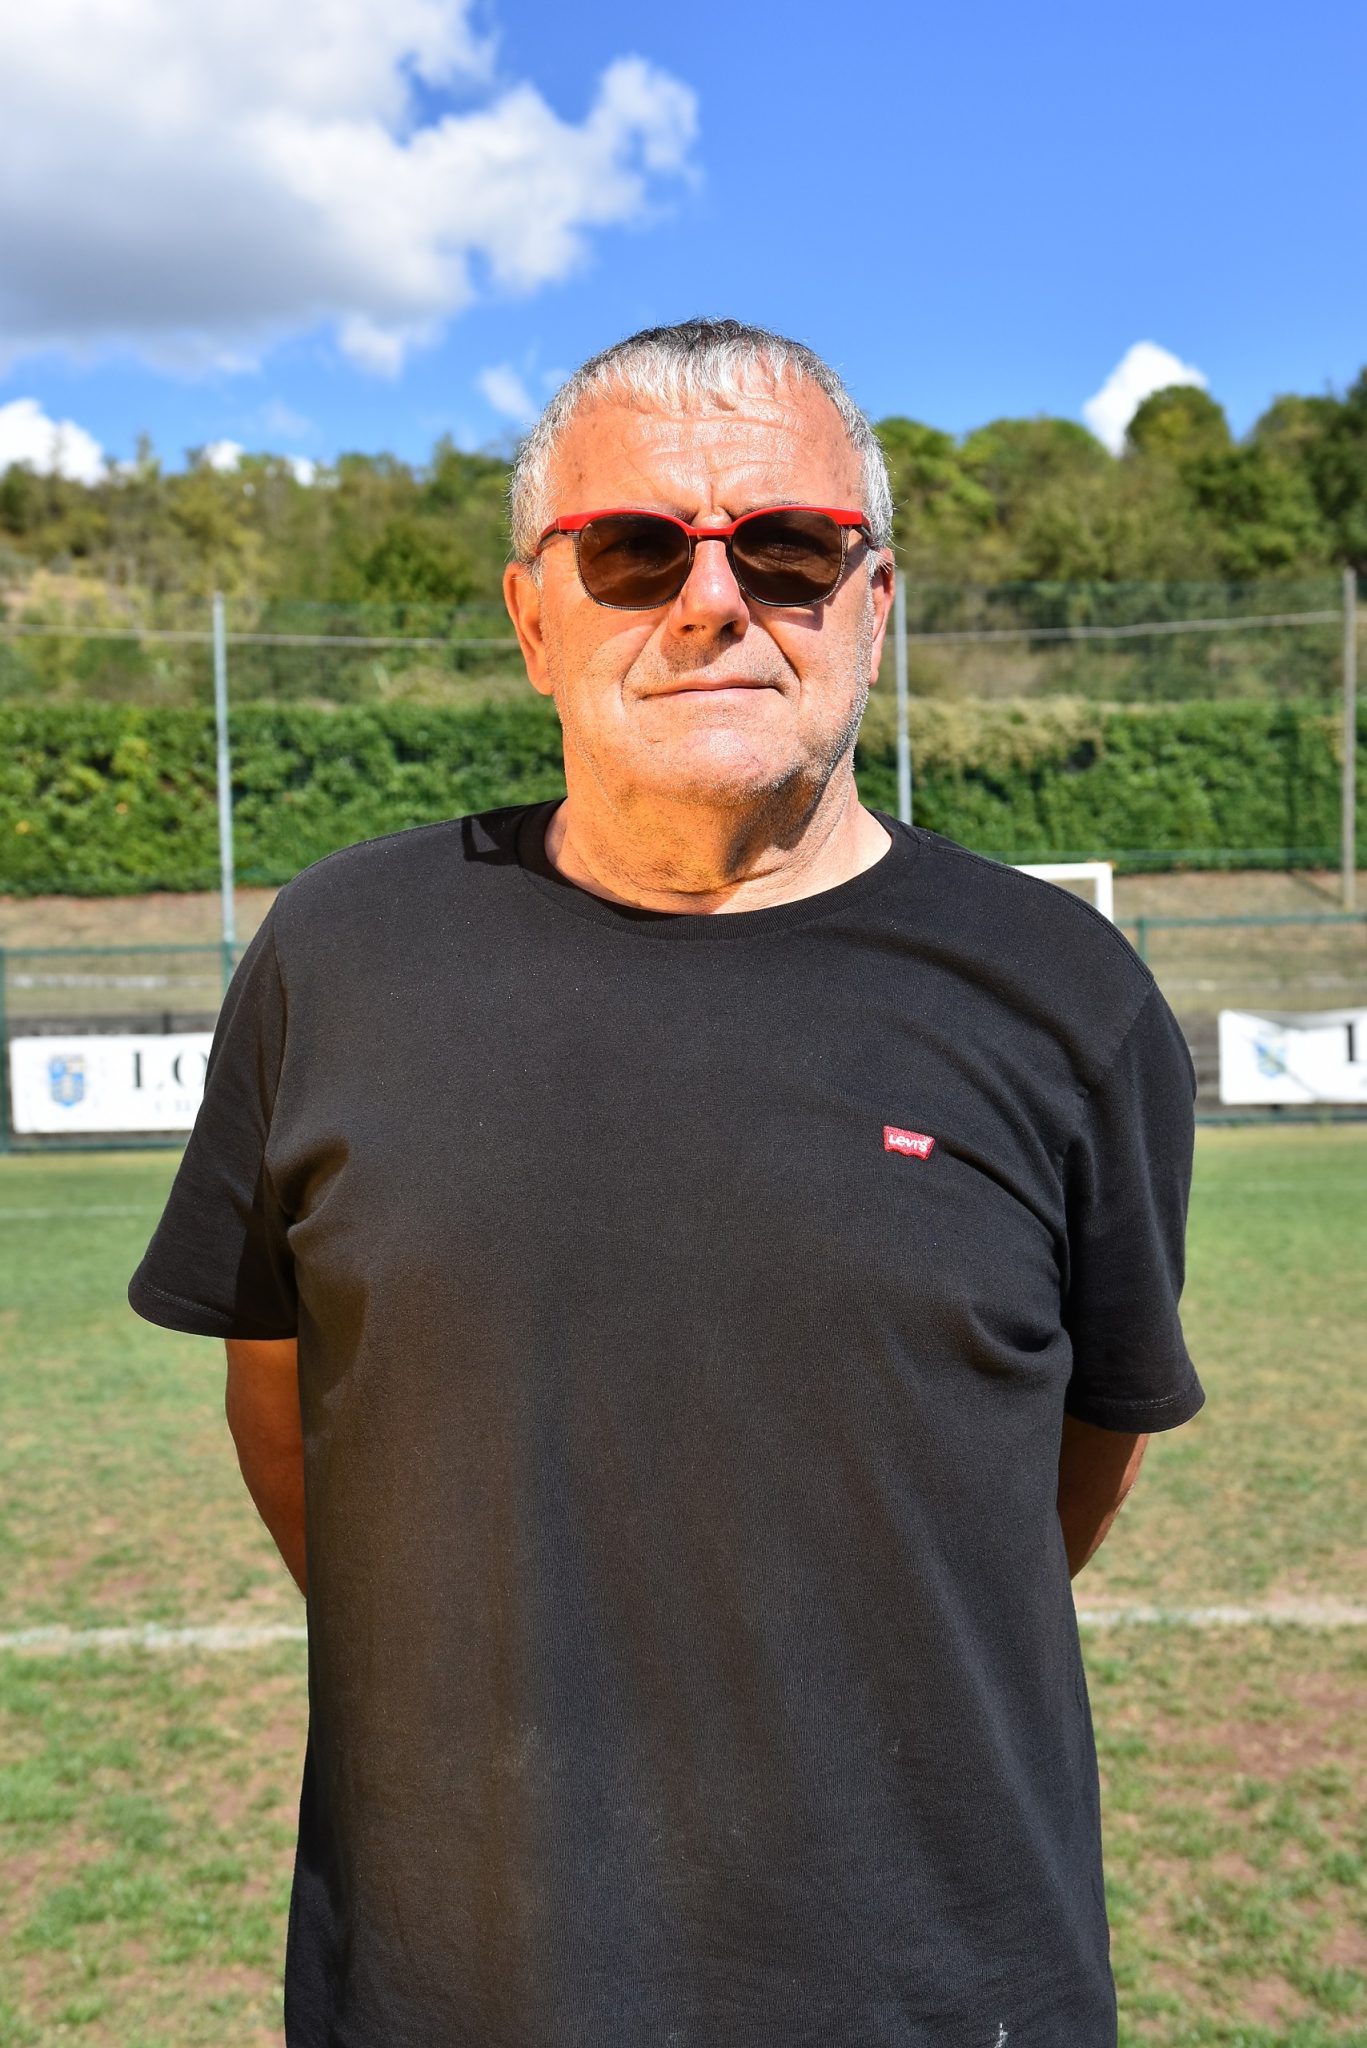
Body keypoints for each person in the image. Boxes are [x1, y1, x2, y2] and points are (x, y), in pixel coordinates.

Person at [128, 317, 1204, 2047]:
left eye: (787, 548)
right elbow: (288, 1413)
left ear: (874, 605)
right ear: (531, 618)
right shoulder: (340, 958)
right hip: (453, 1986)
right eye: (634, 550)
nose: (713, 599)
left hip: (940, 1992)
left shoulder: (1069, 998)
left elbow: (1071, 1466)